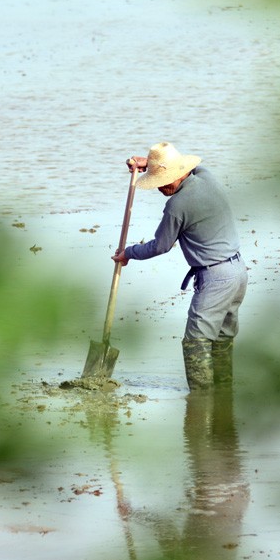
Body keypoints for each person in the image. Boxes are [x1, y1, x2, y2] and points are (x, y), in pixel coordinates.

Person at [111, 142, 247, 392]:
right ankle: (223, 396)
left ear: (177, 174)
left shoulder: (177, 206)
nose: (161, 187)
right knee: (222, 338)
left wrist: (127, 253)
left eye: (163, 180)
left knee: (196, 341)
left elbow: (160, 246)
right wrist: (149, 163)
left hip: (215, 278)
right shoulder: (206, 177)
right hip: (237, 272)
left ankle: (202, 400)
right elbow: (189, 165)